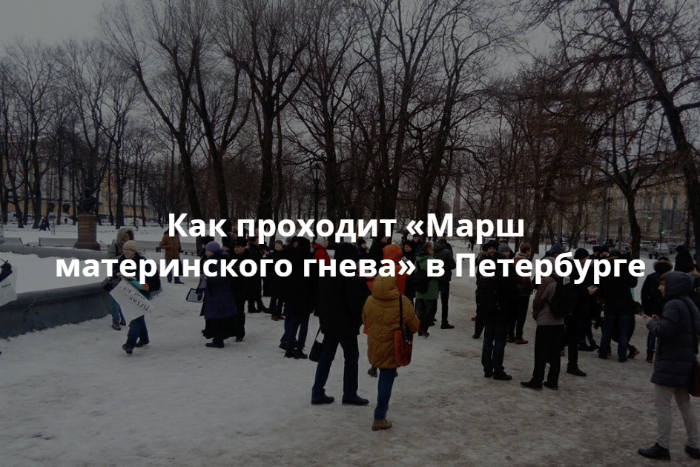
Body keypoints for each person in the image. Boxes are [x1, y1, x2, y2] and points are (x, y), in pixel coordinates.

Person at [638, 271, 700, 461]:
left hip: (670, 361)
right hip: (685, 360)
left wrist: (651, 323)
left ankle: (662, 446)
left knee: (663, 406)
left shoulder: (673, 304)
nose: (659, 287)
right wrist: (661, 322)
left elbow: (665, 332)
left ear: (673, 286)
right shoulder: (690, 304)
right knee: (684, 404)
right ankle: (695, 444)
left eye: (663, 284)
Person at [311, 243, 371, 405]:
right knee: (351, 358)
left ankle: (317, 391)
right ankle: (349, 393)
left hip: (329, 322)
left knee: (326, 357)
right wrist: (360, 319)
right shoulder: (349, 274)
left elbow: (320, 298)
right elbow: (355, 301)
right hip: (346, 324)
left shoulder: (327, 271)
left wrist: (322, 318)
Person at [362, 274, 420, 431]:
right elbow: (414, 326)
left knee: (384, 377)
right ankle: (379, 417)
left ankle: (380, 413)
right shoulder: (402, 302)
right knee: (387, 378)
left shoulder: (369, 300)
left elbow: (366, 321)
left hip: (375, 345)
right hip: (393, 346)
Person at [479, 240, 518, 380]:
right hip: (502, 311)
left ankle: (487, 368)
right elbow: (513, 293)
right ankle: (498, 369)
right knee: (500, 342)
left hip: (488, 310)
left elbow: (480, 290)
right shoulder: (507, 273)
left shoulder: (486, 270)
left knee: (488, 340)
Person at [597, 249, 638, 362]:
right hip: (625, 303)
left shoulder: (604, 267)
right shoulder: (626, 267)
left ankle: (603, 352)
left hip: (610, 303)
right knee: (624, 331)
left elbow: (600, 285)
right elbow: (633, 283)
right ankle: (622, 356)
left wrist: (602, 297)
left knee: (607, 330)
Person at [197, 241, 238, 348]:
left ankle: (218, 340)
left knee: (218, 317)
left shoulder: (219, 261)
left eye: (207, 250)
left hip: (219, 294)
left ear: (212, 251)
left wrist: (207, 277)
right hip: (216, 294)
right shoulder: (216, 260)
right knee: (217, 317)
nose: (206, 253)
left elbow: (221, 277)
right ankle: (217, 338)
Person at [281, 236, 317, 359]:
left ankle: (289, 348)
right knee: (304, 324)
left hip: (292, 294)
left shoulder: (291, 257)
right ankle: (299, 349)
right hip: (306, 295)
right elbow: (314, 279)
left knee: (294, 322)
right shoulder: (310, 258)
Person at [116, 240, 151, 355]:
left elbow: (146, 278)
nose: (126, 251)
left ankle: (129, 344)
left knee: (135, 318)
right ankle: (144, 339)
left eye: (129, 249)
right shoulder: (121, 260)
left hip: (141, 292)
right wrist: (116, 274)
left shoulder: (142, 262)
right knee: (138, 317)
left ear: (134, 251)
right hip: (127, 291)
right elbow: (114, 270)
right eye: (124, 249)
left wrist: (131, 276)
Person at [642, 257, 673, 363]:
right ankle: (663, 353)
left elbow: (644, 293)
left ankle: (650, 353)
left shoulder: (651, 277)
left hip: (653, 306)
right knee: (666, 329)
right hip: (666, 306)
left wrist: (645, 307)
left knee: (652, 330)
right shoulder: (671, 278)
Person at [107, 227, 134, 330]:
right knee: (117, 300)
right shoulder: (114, 246)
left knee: (125, 300)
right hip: (116, 277)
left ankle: (123, 319)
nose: (127, 239)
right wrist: (123, 257)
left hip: (128, 277)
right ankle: (115, 321)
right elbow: (109, 260)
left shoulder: (131, 248)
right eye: (125, 237)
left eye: (128, 237)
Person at [509, 243, 533, 344]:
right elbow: (525, 278)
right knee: (521, 315)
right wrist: (530, 287)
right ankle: (519, 336)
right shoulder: (525, 261)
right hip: (523, 291)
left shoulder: (514, 259)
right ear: (527, 251)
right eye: (530, 250)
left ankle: (510, 335)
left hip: (513, 289)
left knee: (513, 313)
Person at [414, 242, 439, 337]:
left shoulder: (417, 259)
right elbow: (438, 274)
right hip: (430, 288)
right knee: (431, 310)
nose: (433, 251)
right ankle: (423, 328)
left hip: (420, 288)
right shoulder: (432, 260)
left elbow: (415, 271)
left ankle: (420, 329)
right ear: (428, 250)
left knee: (421, 311)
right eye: (432, 249)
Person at [433, 237, 457, 329]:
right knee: (444, 301)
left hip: (434, 278)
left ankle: (431, 318)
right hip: (444, 278)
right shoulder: (447, 252)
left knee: (433, 299)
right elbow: (452, 265)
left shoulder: (432, 251)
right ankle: (444, 322)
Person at [267, 240, 287, 321]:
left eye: (279, 244)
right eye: (276, 244)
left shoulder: (284, 254)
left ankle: (279, 313)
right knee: (274, 297)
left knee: (281, 297)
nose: (277, 245)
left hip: (282, 278)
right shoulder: (271, 255)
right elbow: (268, 267)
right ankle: (274, 313)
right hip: (274, 278)